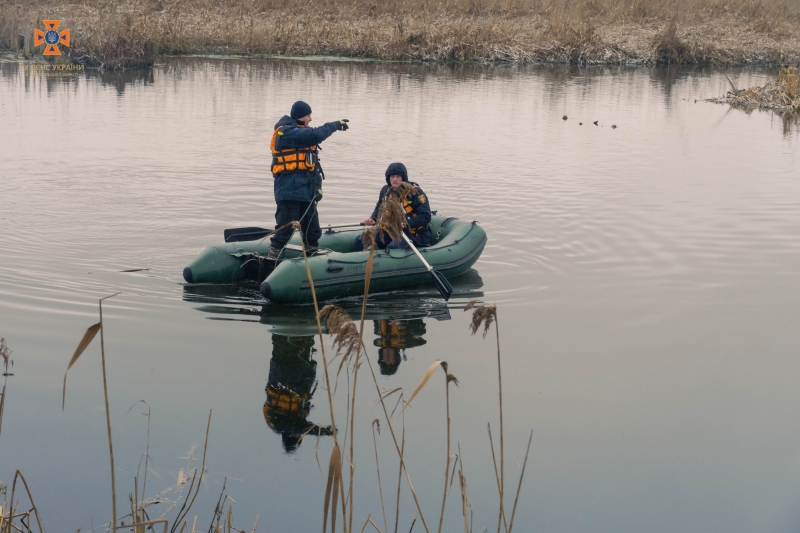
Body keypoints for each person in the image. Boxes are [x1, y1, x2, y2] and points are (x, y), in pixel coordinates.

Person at [269, 101, 349, 258]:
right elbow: (314, 135)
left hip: (306, 190)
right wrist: (334, 125)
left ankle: (311, 252)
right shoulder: (285, 133)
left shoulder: (304, 137)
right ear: (300, 117)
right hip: (289, 190)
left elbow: (314, 168)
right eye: (308, 115)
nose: (310, 119)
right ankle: (274, 252)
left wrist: (317, 187)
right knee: (286, 226)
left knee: (312, 229)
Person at [355, 162, 432, 251]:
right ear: (388, 178)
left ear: (403, 178)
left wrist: (406, 223)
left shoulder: (415, 193)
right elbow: (380, 206)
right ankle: (375, 258)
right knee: (360, 241)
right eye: (392, 176)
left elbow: (426, 216)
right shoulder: (386, 191)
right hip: (392, 231)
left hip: (415, 235)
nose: (395, 179)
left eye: (398, 176)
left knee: (393, 248)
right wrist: (374, 218)